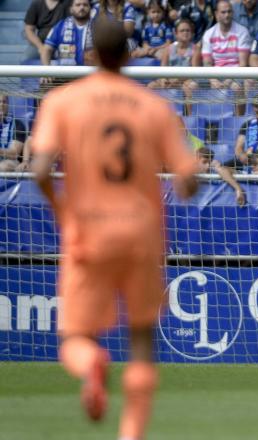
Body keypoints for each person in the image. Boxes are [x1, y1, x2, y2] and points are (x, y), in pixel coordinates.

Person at [30, 17, 199, 440]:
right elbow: (189, 178)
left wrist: (64, 213)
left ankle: (91, 364)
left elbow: (39, 171)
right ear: (128, 55)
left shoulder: (63, 102)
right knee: (142, 339)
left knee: (76, 338)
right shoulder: (152, 106)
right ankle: (131, 435)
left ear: (89, 56)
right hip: (141, 235)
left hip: (87, 233)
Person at [201, 0, 252, 115]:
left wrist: (229, 80)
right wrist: (213, 80)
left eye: (229, 11)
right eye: (223, 12)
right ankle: (193, 123)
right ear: (216, 14)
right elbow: (207, 63)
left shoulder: (242, 32)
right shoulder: (209, 34)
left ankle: (239, 122)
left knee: (237, 87)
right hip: (214, 74)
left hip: (236, 73)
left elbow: (243, 64)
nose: (227, 15)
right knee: (190, 86)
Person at [148, 18, 200, 115]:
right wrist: (163, 79)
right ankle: (152, 116)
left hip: (187, 80)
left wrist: (176, 81)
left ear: (192, 33)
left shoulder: (195, 49)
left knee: (189, 86)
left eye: (188, 30)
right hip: (171, 80)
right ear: (176, 34)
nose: (185, 33)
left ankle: (189, 119)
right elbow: (162, 70)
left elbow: (194, 72)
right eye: (182, 31)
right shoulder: (168, 49)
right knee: (151, 86)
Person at [41, 0, 93, 66]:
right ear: (71, 9)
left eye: (85, 5)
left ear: (90, 9)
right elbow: (46, 49)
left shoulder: (98, 26)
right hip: (66, 73)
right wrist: (46, 72)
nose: (82, 7)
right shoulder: (60, 26)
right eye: (78, 5)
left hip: (91, 73)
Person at [0, 94, 29, 172]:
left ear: (8, 104)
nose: (1, 104)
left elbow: (14, 153)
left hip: (10, 161)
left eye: (4, 102)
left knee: (3, 166)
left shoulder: (17, 124)